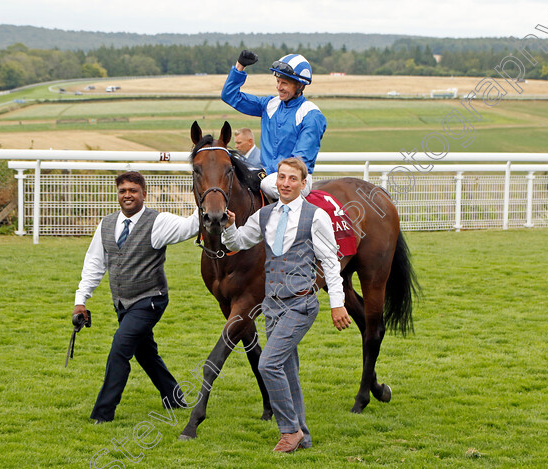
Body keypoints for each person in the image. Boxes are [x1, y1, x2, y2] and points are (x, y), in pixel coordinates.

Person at [221, 158, 351, 452]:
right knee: (287, 370)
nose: (286, 183)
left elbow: (331, 262)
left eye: (293, 179)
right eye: (282, 178)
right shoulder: (265, 215)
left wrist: (337, 303)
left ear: (304, 184)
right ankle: (303, 435)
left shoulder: (315, 217)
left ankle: (289, 431)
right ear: (275, 181)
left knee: (268, 363)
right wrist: (229, 226)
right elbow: (237, 243)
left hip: (301, 303)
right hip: (272, 306)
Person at [74, 171, 198, 424]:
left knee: (120, 348)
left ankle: (103, 413)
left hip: (151, 299)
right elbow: (94, 264)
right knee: (145, 352)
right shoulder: (106, 224)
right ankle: (174, 398)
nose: (127, 195)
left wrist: (206, 193)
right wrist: (81, 301)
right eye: (123, 191)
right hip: (122, 302)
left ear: (144, 193)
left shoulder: (159, 221)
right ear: (117, 194)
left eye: (133, 190)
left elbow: (190, 226)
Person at [221, 50, 327, 200]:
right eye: (278, 82)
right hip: (268, 175)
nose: (279, 87)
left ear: (300, 86)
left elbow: (299, 161)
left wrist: (265, 173)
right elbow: (229, 96)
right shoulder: (269, 104)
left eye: (284, 83)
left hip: (296, 178)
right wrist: (240, 66)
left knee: (267, 183)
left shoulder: (311, 115)